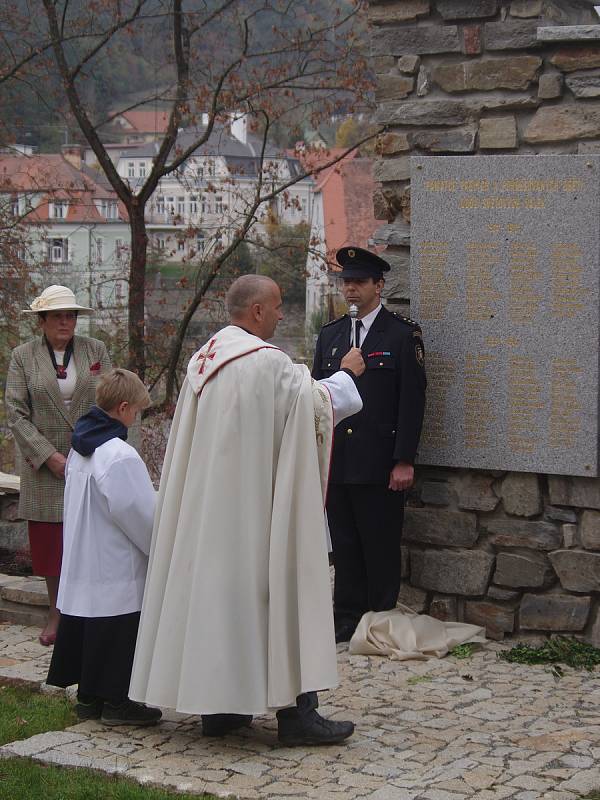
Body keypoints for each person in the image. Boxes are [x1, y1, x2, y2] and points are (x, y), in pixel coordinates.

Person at [130, 275, 364, 745]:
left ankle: (221, 708)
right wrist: (346, 375)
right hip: (256, 515)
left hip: (210, 516)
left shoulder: (205, 358)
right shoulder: (266, 365)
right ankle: (299, 716)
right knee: (277, 594)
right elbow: (313, 408)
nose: (281, 315)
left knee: (221, 604)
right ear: (256, 311)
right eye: (277, 306)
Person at [312, 247, 427, 644]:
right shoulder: (330, 336)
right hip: (340, 463)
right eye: (346, 282)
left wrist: (404, 460)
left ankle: (379, 619)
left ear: (379, 286)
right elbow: (318, 398)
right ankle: (345, 619)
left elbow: (411, 403)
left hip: (379, 462)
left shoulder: (400, 335)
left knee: (379, 544)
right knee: (343, 545)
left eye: (359, 282)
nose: (351, 290)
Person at [46, 368, 162, 727]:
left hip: (87, 558)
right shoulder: (118, 455)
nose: (137, 418)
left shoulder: (82, 447)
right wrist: (159, 542)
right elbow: (138, 513)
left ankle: (90, 698)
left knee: (91, 629)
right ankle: (118, 702)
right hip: (115, 563)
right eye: (137, 411)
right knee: (117, 634)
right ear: (123, 408)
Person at [5, 285, 111, 646]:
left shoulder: (95, 350)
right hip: (45, 465)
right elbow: (17, 414)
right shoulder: (23, 356)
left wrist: (106, 450)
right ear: (42, 321)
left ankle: (88, 615)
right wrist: (49, 456)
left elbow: (112, 399)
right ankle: (57, 612)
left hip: (90, 458)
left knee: (90, 538)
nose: (66, 322)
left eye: (71, 315)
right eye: (58, 316)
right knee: (52, 544)